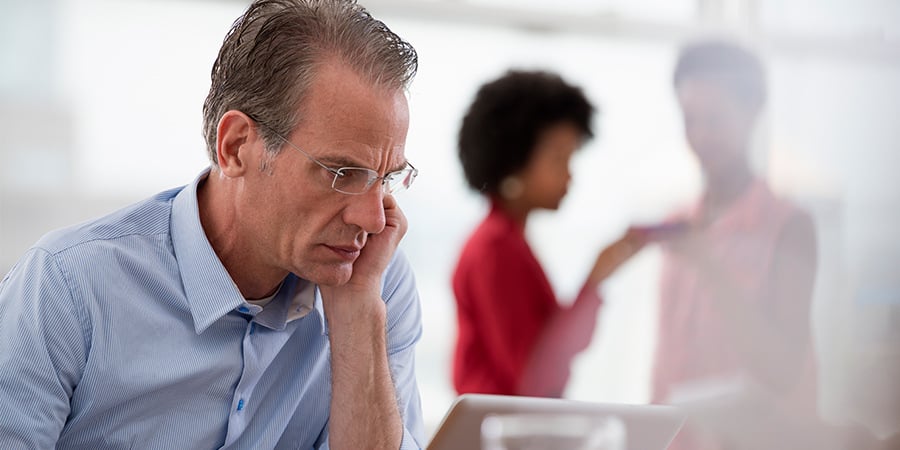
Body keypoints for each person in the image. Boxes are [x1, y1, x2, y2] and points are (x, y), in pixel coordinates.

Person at [0, 1, 424, 448]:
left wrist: (357, 316)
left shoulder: (375, 284)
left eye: (386, 178)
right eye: (342, 174)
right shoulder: (67, 288)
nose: (373, 218)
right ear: (237, 147)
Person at [636, 39, 820, 450]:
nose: (700, 136)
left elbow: (783, 369)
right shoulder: (677, 226)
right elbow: (668, 368)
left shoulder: (790, 226)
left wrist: (713, 270)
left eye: (715, 119)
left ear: (752, 112)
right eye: (689, 119)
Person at [451, 70, 641, 398]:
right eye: (557, 158)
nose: (569, 175)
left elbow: (551, 350)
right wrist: (594, 280)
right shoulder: (496, 249)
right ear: (513, 160)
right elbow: (535, 376)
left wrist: (598, 276)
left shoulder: (507, 241)